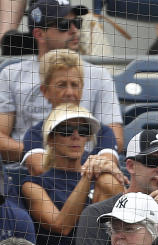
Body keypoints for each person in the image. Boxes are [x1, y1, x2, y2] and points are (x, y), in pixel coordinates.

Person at [0, 0, 122, 161]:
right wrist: (40, 155)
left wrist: (79, 162)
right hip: (28, 170)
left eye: (77, 22)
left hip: (85, 169)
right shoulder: (11, 74)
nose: (74, 30)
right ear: (39, 34)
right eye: (64, 25)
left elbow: (116, 138)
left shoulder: (99, 75)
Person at [21, 103, 123, 245]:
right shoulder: (33, 184)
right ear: (51, 139)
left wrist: (116, 177)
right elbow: (62, 226)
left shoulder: (101, 178)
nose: (76, 136)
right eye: (66, 131)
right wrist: (87, 175)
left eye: (83, 131)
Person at [21, 48, 118, 176]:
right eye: (61, 85)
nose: (69, 92)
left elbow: (108, 169)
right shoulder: (35, 134)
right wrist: (91, 166)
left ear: (82, 89)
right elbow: (41, 170)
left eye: (74, 85)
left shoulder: (103, 131)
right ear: (45, 91)